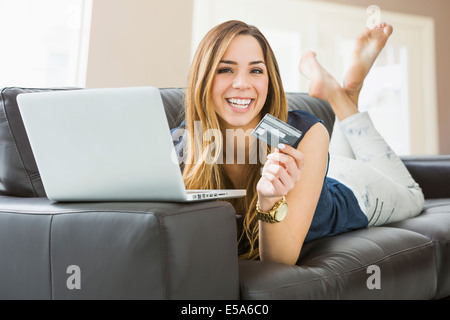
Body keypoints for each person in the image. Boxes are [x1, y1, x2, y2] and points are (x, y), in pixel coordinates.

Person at [171, 20, 424, 265]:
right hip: (320, 172)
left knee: (414, 198)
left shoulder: (297, 132)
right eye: (226, 69)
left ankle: (340, 96)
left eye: (256, 70)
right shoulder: (185, 142)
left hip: (355, 190)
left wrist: (269, 199)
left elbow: (279, 260)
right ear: (203, 78)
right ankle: (349, 94)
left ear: (269, 81)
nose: (242, 84)